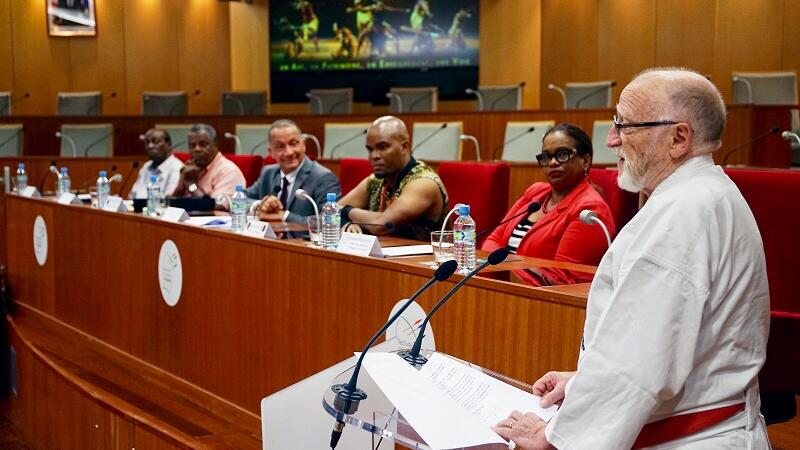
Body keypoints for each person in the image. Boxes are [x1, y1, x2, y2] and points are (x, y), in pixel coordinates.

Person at [493, 68, 770, 449]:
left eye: (625, 126)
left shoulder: (683, 212)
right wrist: (583, 379)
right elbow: (668, 344)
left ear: (678, 138)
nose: (611, 140)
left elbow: (638, 364)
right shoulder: (699, 194)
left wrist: (554, 439)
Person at [481, 123, 615, 286]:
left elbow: (562, 278)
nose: (552, 162)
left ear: (585, 161)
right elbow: (493, 239)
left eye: (562, 154)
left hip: (544, 304)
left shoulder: (589, 210)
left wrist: (501, 265)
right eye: (546, 156)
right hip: (504, 290)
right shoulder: (535, 193)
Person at [338, 116, 448, 241]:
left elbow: (381, 225)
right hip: (385, 255)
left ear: (404, 147)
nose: (374, 156)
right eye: (370, 149)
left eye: (383, 147)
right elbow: (328, 213)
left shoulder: (423, 182)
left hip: (427, 259)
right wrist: (345, 224)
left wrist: (346, 211)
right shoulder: (375, 180)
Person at [245, 119, 340, 223]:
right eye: (280, 146)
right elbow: (239, 200)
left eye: (293, 143)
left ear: (304, 144)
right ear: (271, 152)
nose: (289, 152)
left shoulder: (323, 177)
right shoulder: (268, 173)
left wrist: (285, 216)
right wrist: (259, 205)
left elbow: (330, 221)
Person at [171, 123, 246, 202]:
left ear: (215, 145)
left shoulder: (228, 171)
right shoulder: (190, 169)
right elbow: (170, 204)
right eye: (192, 145)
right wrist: (181, 184)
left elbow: (213, 205)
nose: (197, 149)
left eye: (202, 144)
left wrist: (191, 185)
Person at [128, 128, 183, 200]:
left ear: (168, 144)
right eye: (147, 142)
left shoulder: (177, 167)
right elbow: (133, 195)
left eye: (155, 141)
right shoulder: (146, 166)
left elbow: (169, 200)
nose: (150, 146)